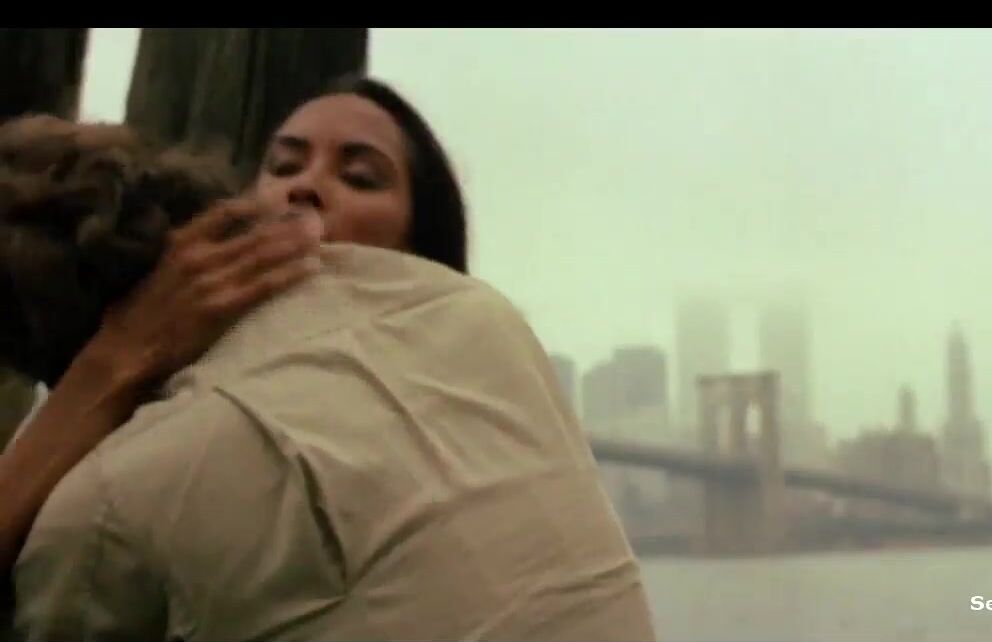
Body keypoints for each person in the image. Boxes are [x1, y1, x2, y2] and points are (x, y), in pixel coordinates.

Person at [1, 76, 656, 641]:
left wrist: (107, 367)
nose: (307, 188)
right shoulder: (489, 318)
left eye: (360, 177)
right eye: (283, 167)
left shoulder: (108, 505)